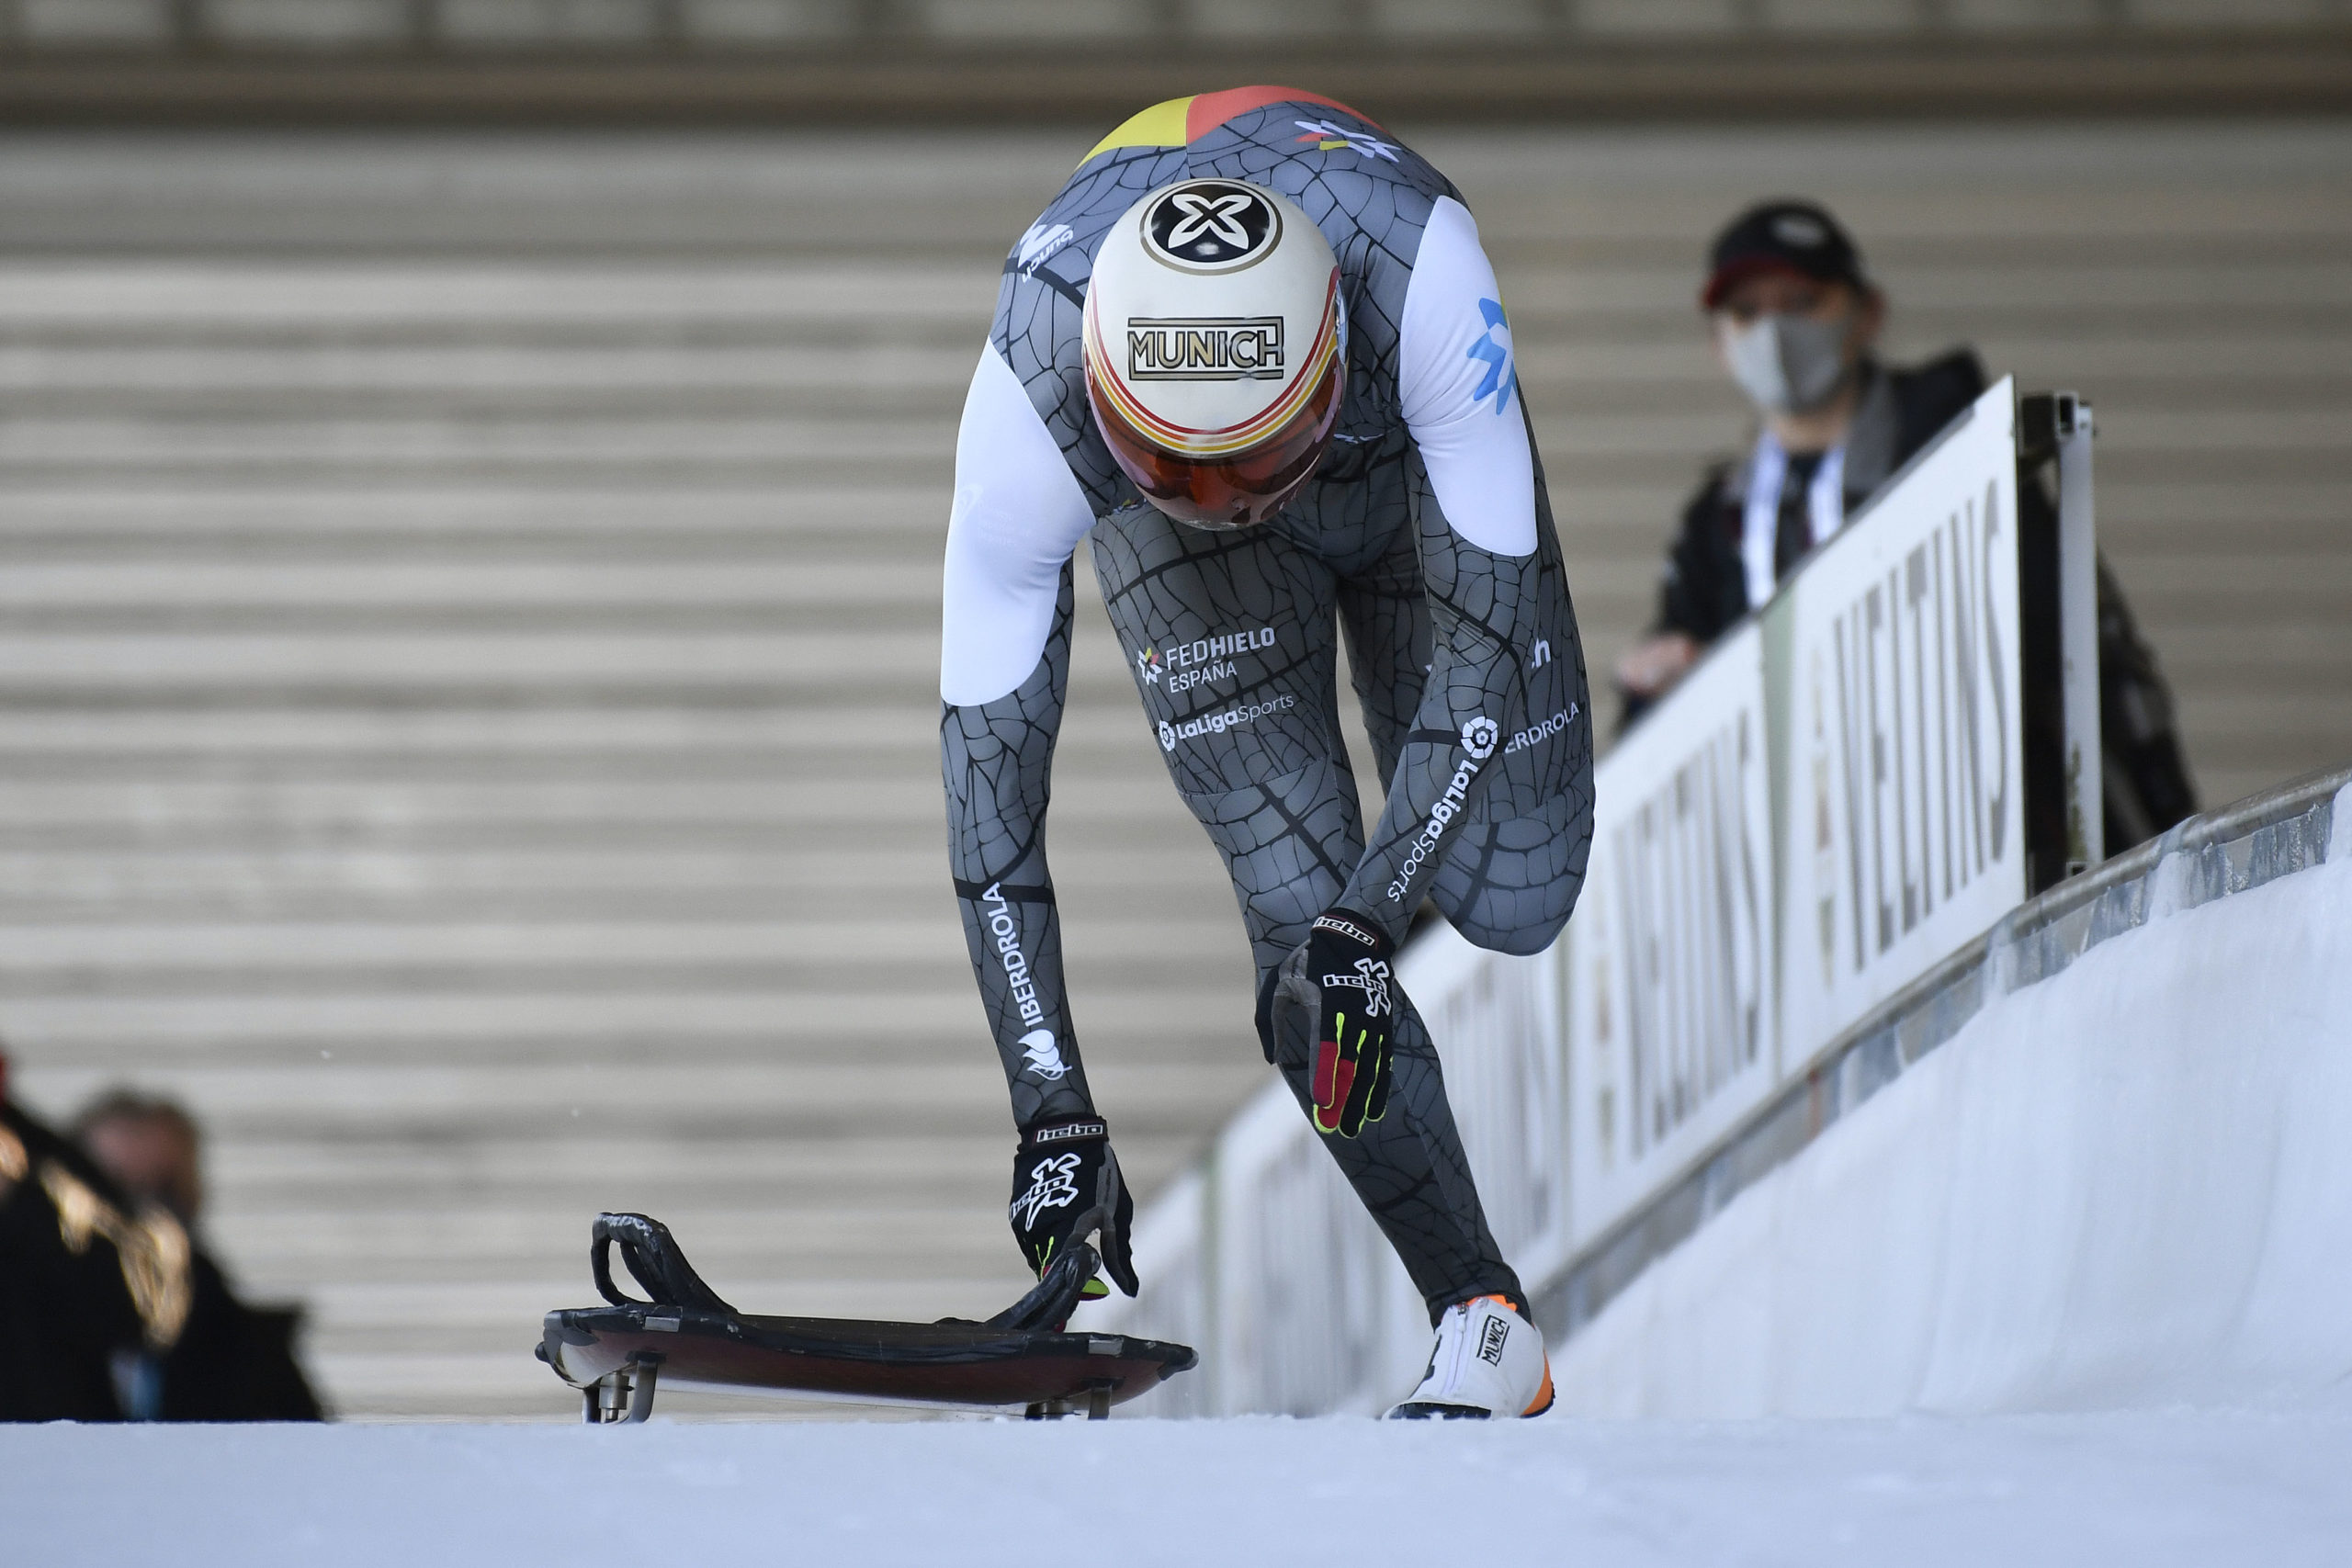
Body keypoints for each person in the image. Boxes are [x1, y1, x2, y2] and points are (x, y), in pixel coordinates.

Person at [941, 86, 1594, 1419]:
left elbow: (1481, 656)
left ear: (1331, 367)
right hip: (1228, 506)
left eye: (1246, 469)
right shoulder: (1028, 392)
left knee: (1515, 888)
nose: (1221, 507)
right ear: (1108, 404)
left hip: (1402, 467)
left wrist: (1380, 906)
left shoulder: (1424, 276)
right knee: (1306, 971)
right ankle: (1482, 1312)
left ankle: (1371, 938)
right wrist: (1053, 1108)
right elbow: (990, 802)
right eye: (1172, 471)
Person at [1615, 198, 2195, 867]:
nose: (1775, 332)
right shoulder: (1715, 522)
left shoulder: (1961, 450)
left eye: (1802, 300)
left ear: (1868, 313)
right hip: (1815, 894)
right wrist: (1649, 687)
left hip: (1992, 857)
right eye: (1747, 313)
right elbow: (1658, 743)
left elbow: (2062, 637)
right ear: (1718, 343)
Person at [71, 1089, 325, 1421]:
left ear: (192, 1198)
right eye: (107, 1190)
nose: (136, 1219)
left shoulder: (251, 1356)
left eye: (163, 1190)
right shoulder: (20, 1344)